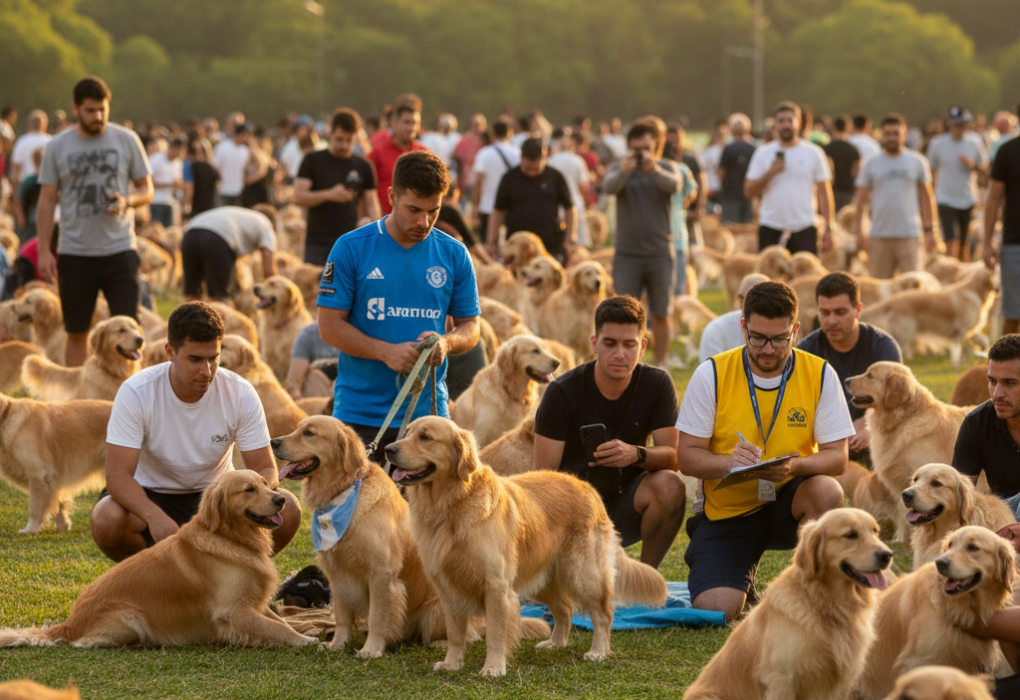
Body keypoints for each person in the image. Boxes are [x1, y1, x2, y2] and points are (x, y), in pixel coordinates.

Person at [676, 280, 853, 621]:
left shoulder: (819, 373)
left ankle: (819, 588)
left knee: (827, 489)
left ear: (796, 331)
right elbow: (686, 457)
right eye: (757, 338)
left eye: (779, 339)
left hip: (789, 500)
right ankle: (733, 573)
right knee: (715, 610)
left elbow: (837, 457)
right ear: (743, 327)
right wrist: (728, 463)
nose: (768, 349)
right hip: (728, 511)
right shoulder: (711, 373)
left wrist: (793, 468)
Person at [91, 302, 302, 562]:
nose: (206, 370)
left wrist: (231, 505)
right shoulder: (136, 392)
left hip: (216, 495)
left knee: (288, 509)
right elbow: (117, 476)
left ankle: (232, 577)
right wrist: (154, 516)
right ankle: (154, 575)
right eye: (195, 359)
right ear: (170, 352)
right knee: (107, 519)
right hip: (151, 494)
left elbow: (265, 468)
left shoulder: (240, 391)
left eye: (213, 358)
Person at [317, 150, 480, 464]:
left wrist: (446, 343)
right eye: (414, 209)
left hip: (428, 419)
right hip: (359, 414)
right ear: (392, 196)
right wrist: (384, 352)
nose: (423, 222)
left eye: (433, 211)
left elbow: (471, 327)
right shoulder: (351, 247)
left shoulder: (455, 253)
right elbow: (329, 327)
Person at [533, 295, 685, 568]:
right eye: (610, 343)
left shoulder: (657, 383)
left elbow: (674, 457)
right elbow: (541, 480)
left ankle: (646, 577)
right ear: (594, 343)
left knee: (670, 485)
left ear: (643, 347)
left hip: (627, 503)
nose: (619, 354)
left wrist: (636, 454)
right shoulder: (561, 392)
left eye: (629, 344)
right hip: (573, 511)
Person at [35, 76, 153, 368]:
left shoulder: (127, 139)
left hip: (120, 249)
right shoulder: (58, 146)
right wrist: (43, 250)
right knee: (77, 331)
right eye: (90, 110)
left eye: (102, 109)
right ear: (76, 109)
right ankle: (80, 394)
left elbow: (146, 188)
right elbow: (47, 200)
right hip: (75, 252)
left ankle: (129, 393)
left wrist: (128, 201)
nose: (97, 116)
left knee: (130, 331)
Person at [601, 119, 683, 368]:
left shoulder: (666, 167)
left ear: (656, 146)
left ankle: (661, 362)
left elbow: (675, 185)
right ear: (629, 147)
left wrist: (653, 169)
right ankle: (627, 362)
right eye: (637, 149)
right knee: (624, 313)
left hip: (659, 252)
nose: (641, 154)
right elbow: (607, 187)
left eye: (646, 148)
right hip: (627, 254)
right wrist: (625, 171)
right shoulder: (620, 168)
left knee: (661, 311)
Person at [797, 272, 901, 457]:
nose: (831, 321)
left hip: (874, 436)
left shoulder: (883, 347)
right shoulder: (805, 352)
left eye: (840, 312)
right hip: (823, 441)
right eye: (824, 313)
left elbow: (896, 402)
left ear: (858, 310)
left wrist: (869, 426)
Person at [853, 113, 938, 279]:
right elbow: (860, 199)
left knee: (913, 286)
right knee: (879, 286)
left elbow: (926, 197)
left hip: (909, 234)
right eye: (888, 134)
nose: (892, 138)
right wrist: (859, 232)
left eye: (896, 133)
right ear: (881, 135)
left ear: (904, 135)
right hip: (879, 235)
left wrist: (931, 230)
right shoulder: (871, 163)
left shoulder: (917, 161)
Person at [291, 108, 380, 266]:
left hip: (350, 241)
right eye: (339, 139)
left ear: (356, 138)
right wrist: (329, 194)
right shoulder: (312, 160)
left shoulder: (363, 165)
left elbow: (372, 204)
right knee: (316, 282)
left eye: (349, 140)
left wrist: (372, 226)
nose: (343, 145)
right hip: (318, 243)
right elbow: (298, 197)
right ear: (330, 133)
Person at [744, 101, 834, 255]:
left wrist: (828, 229)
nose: (786, 125)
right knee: (770, 272)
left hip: (804, 227)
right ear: (775, 124)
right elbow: (748, 191)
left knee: (805, 271)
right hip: (771, 226)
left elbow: (824, 192)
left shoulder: (814, 153)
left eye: (790, 120)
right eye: (781, 121)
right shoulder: (763, 153)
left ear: (799, 123)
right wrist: (769, 173)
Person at [952, 334, 1020, 505]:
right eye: (992, 381)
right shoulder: (976, 423)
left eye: (1010, 383)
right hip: (1003, 513)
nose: (997, 394)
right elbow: (960, 499)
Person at [486, 137, 575, 262]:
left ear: (544, 159)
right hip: (517, 246)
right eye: (528, 169)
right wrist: (491, 242)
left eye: (536, 169)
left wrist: (570, 238)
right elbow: (497, 211)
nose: (532, 173)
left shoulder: (555, 177)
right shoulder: (510, 178)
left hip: (550, 245)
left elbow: (570, 209)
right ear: (521, 158)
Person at [181, 205, 278, 302]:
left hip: (191, 233)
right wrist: (276, 292)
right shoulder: (266, 224)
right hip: (218, 238)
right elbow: (269, 271)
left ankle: (190, 311)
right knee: (220, 296)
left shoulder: (243, 215)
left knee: (194, 294)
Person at [927, 107, 988, 260]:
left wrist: (972, 165)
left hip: (967, 197)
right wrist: (932, 192)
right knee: (950, 239)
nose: (959, 128)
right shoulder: (938, 144)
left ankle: (962, 267)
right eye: (956, 125)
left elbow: (984, 167)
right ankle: (951, 267)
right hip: (945, 197)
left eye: (962, 125)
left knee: (964, 240)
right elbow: (931, 169)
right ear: (949, 124)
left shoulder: (974, 142)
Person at [985, 116, 1020, 336]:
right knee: (1013, 316)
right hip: (1014, 244)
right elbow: (993, 198)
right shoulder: (1007, 151)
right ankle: (1007, 358)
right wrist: (987, 243)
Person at [367, 103, 428, 217]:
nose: (411, 128)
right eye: (406, 122)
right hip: (383, 221)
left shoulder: (424, 154)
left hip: (415, 221)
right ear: (394, 123)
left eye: (415, 123)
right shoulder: (378, 153)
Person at [698, 272, 769, 360]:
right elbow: (711, 367)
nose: (762, 306)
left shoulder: (781, 330)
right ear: (740, 299)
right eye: (755, 300)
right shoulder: (716, 330)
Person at [470, 118, 518, 241]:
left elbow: (477, 182)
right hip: (510, 208)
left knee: (488, 244)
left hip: (487, 206)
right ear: (510, 133)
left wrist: (475, 205)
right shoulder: (517, 153)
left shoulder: (484, 153)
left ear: (493, 133)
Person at [547, 129, 592, 247]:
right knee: (578, 243)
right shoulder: (577, 160)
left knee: (559, 243)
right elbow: (584, 185)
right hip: (575, 204)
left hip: (556, 206)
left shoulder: (551, 160)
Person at [10, 109, 50, 238]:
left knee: (26, 235)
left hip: (26, 192)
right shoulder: (51, 142)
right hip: (47, 188)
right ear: (45, 124)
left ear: (29, 124)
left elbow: (15, 176)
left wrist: (16, 204)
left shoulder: (22, 142)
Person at [717, 113, 756, 224]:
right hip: (748, 196)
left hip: (730, 196)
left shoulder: (728, 149)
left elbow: (721, 173)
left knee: (730, 227)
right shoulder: (753, 149)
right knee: (747, 229)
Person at [285, 320, 338, 400]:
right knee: (313, 377)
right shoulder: (308, 335)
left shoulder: (357, 332)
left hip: (348, 386)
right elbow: (293, 383)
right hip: (321, 395)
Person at [823, 116, 861, 213]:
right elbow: (856, 171)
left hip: (831, 190)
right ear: (848, 128)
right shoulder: (853, 149)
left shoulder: (827, 149)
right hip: (848, 190)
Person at [212, 121, 251, 206]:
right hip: (223, 191)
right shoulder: (222, 148)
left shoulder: (245, 150)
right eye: (247, 135)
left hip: (238, 191)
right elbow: (215, 167)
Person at [148, 137, 184, 228]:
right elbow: (148, 182)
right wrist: (169, 184)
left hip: (170, 202)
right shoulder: (156, 160)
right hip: (156, 201)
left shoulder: (178, 163)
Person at [183, 139, 218, 216]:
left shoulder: (192, 167)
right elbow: (217, 187)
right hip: (210, 206)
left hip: (196, 207)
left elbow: (189, 186)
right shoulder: (213, 169)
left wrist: (186, 204)